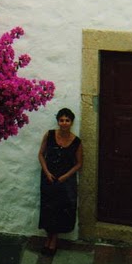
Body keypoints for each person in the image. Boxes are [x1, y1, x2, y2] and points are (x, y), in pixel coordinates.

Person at [38, 108, 83, 256]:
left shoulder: (76, 142)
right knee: (48, 208)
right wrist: (47, 172)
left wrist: (65, 176)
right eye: (61, 120)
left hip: (64, 181)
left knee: (59, 209)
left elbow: (78, 164)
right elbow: (41, 154)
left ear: (71, 122)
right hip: (48, 178)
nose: (64, 123)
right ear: (58, 121)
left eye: (67, 120)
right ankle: (47, 238)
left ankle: (54, 240)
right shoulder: (50, 135)